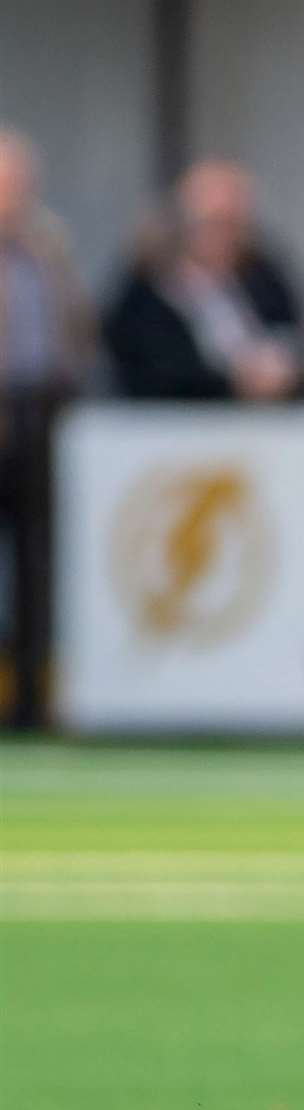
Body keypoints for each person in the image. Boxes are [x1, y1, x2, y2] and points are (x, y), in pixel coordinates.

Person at [0, 128, 94, 728]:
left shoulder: (48, 244)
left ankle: (34, 698)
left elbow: (74, 323)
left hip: (40, 410)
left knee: (38, 560)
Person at [103, 160, 304, 401]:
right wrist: (232, 383)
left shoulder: (263, 275)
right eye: (215, 223)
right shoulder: (148, 287)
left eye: (235, 224)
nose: (225, 237)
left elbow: (295, 332)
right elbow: (144, 370)